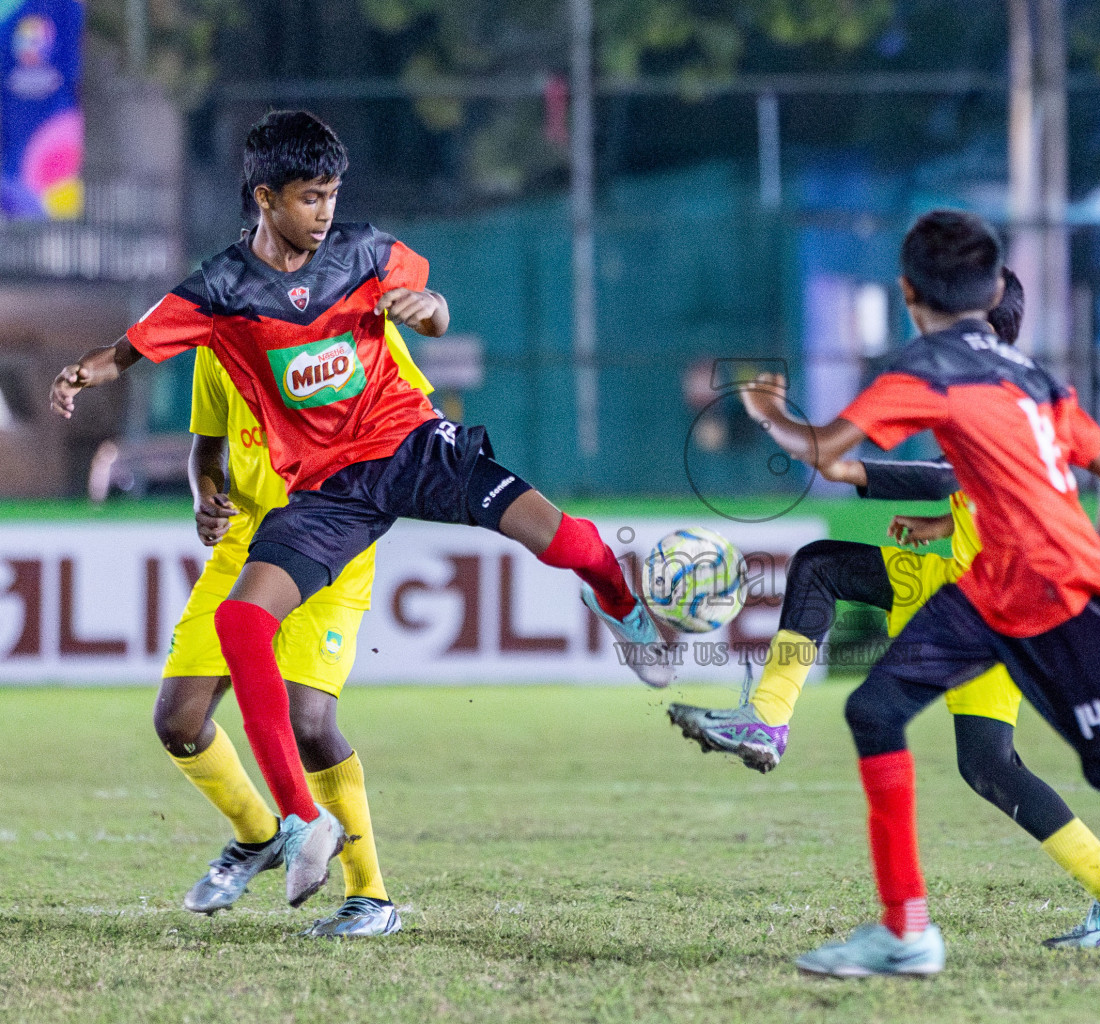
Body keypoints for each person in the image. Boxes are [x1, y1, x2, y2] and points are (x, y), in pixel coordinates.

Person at [49, 110, 670, 909]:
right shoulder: (219, 292)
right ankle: (302, 825)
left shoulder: (366, 249)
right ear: (265, 198)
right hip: (326, 492)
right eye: (311, 198)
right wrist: (78, 375)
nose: (326, 211)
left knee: (564, 540)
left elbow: (435, 308)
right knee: (240, 627)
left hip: (410, 444)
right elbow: (127, 350)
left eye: (333, 195)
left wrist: (429, 308)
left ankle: (621, 604)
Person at [736, 209, 1100, 984]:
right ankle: (906, 931)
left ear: (906, 292)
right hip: (989, 591)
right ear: (995, 286)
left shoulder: (928, 369)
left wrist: (770, 414)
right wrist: (1098, 539)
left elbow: (830, 455)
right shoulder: (1035, 380)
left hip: (1048, 595)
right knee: (880, 711)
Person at [670, 270, 1100, 951]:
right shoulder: (1009, 401)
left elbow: (838, 465)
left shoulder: (978, 413)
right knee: (825, 572)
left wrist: (767, 414)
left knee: (985, 762)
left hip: (975, 612)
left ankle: (769, 725)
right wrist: (946, 526)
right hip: (951, 580)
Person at [156, 324, 429, 937]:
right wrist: (206, 495)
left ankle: (370, 898)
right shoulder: (218, 339)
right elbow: (207, 447)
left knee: (309, 720)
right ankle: (258, 837)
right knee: (178, 721)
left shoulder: (357, 320)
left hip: (333, 539)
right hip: (246, 548)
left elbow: (414, 422)